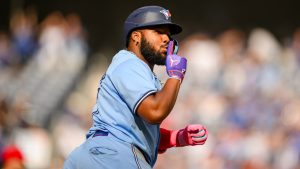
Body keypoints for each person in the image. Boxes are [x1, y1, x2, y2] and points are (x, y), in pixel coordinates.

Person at [63, 5, 208, 169]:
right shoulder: (131, 64)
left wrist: (176, 137)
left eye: (168, 34)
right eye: (158, 32)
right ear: (136, 37)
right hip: (114, 156)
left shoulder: (131, 68)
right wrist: (175, 76)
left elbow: (134, 128)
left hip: (94, 155)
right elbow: (155, 111)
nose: (166, 39)